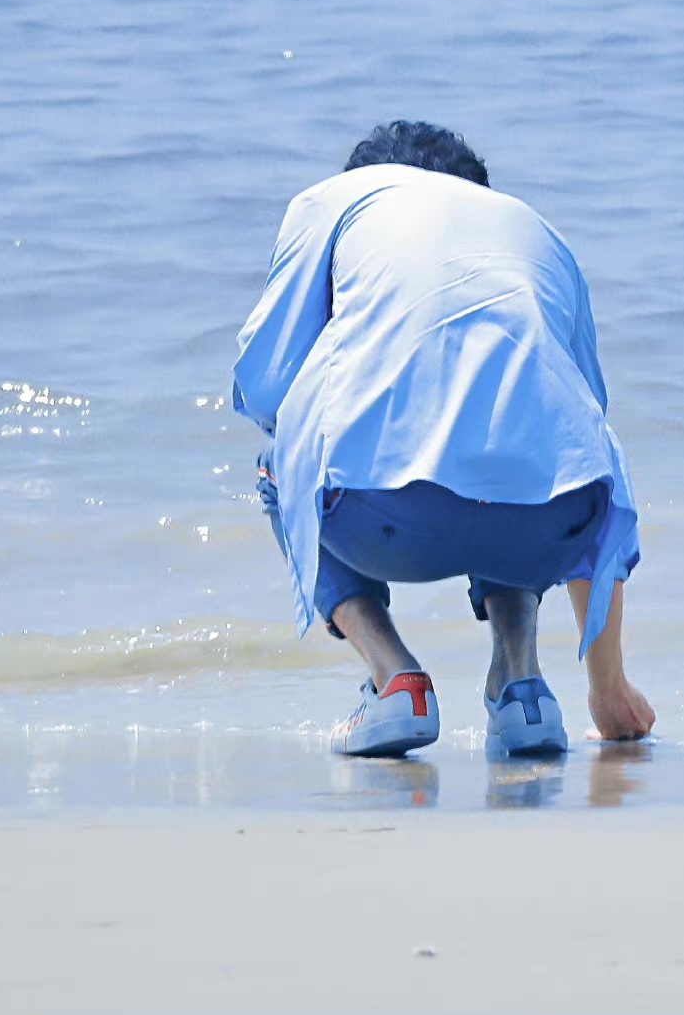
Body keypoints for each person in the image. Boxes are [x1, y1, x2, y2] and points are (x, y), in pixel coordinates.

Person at [233, 121, 656, 757]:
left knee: (278, 468)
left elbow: (266, 388)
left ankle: (395, 678)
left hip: (381, 523)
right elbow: (587, 444)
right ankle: (523, 688)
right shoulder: (536, 229)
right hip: (545, 524)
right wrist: (608, 684)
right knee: (514, 453)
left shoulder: (337, 201)